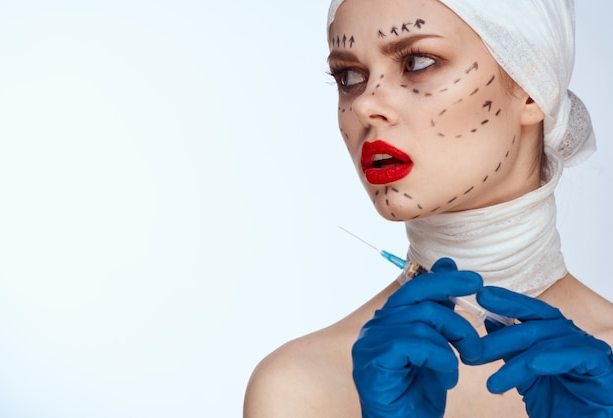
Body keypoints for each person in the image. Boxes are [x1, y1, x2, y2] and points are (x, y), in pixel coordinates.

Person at [243, 0, 613, 416]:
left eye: (417, 62)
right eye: (349, 76)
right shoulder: (302, 386)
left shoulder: (603, 377)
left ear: (533, 87)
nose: (365, 106)